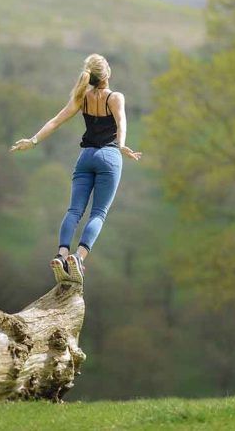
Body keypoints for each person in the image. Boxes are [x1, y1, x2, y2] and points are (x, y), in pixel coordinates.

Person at [10, 53, 142, 285]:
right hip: (108, 157)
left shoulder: (82, 98)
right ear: (107, 74)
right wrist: (121, 146)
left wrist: (33, 141)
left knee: (74, 211)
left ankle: (61, 255)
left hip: (85, 158)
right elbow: (121, 122)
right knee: (98, 213)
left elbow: (55, 121)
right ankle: (78, 258)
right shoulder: (115, 97)